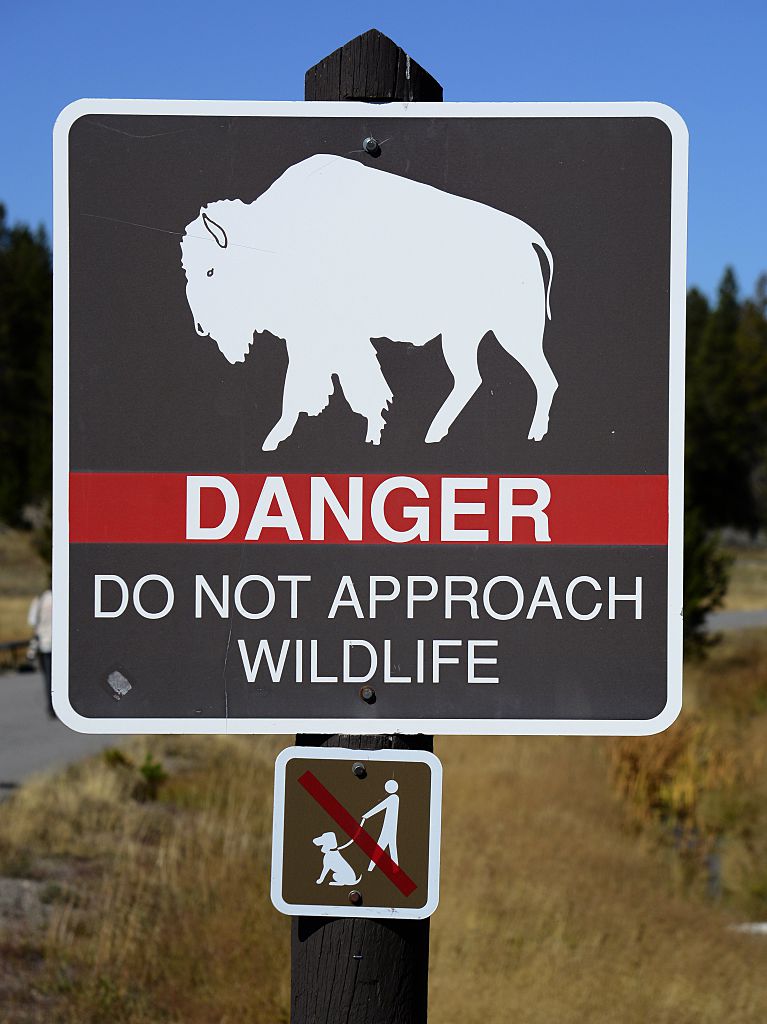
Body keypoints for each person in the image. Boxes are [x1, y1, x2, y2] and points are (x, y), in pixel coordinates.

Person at [360, 779, 400, 871]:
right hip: (389, 827)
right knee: (389, 847)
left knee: (381, 847)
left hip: (389, 827)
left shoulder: (393, 798)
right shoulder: (394, 798)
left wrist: (367, 815)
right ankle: (395, 868)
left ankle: (371, 869)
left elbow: (380, 807)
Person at [28, 589, 54, 717]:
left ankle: (51, 706)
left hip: (45, 644)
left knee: (49, 678)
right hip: (63, 645)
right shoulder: (66, 597)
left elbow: (32, 621)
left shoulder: (40, 599)